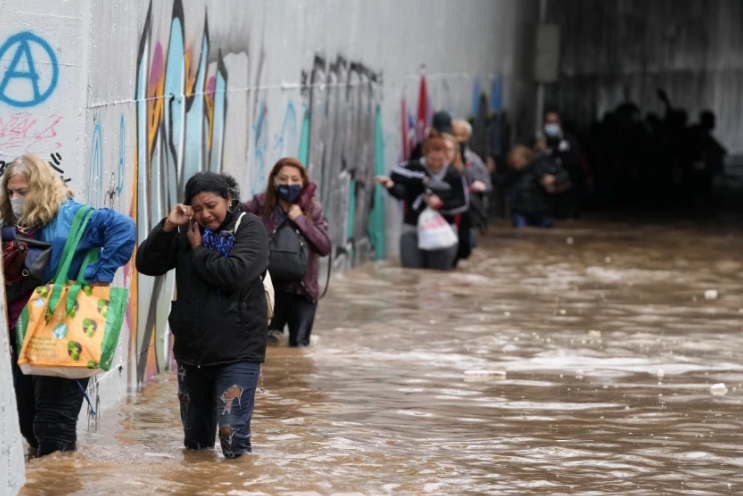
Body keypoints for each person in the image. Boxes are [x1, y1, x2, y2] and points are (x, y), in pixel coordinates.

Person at [0, 154, 135, 456]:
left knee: (53, 425)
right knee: (27, 422)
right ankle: (51, 477)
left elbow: (123, 227)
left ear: (42, 187)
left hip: (61, 330)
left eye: (22, 192)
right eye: (11, 192)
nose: (15, 198)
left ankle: (58, 482)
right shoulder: (10, 223)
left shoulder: (72, 216)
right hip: (19, 336)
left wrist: (99, 275)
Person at [136, 172, 268, 458]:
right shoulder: (186, 231)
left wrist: (199, 250)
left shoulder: (249, 227)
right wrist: (169, 226)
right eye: (198, 208)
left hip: (239, 351)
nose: (206, 214)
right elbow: (147, 264)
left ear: (228, 200)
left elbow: (235, 274)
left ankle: (236, 488)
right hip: (192, 352)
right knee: (195, 445)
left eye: (212, 205)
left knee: (231, 436)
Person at [244, 158, 330, 348]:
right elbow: (234, 217)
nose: (289, 184)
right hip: (267, 290)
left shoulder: (313, 210)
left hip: (303, 291)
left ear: (303, 182)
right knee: (263, 347)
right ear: (274, 180)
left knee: (298, 348)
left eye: (294, 179)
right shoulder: (260, 204)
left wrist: (300, 218)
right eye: (283, 179)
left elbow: (324, 247)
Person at [377, 136, 469, 270]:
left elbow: (463, 204)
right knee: (410, 274)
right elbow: (398, 182)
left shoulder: (454, 174)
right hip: (412, 229)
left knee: (437, 279)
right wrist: (421, 180)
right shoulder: (415, 167)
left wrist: (440, 205)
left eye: (440, 160)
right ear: (425, 155)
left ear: (447, 156)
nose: (436, 164)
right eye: (432, 160)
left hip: (443, 232)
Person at [496, 145, 557, 229]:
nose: (517, 166)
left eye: (519, 162)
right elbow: (502, 182)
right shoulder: (513, 174)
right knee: (520, 229)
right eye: (514, 163)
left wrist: (552, 181)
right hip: (521, 212)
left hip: (541, 212)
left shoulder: (539, 168)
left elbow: (558, 179)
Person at [452, 119, 493, 245]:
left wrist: (478, 187)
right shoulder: (440, 158)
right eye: (455, 134)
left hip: (469, 215)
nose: (458, 139)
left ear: (468, 138)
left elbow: (488, 186)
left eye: (462, 135)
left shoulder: (474, 161)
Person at [536, 108, 582, 219]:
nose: (551, 125)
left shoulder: (569, 141)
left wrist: (556, 178)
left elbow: (574, 162)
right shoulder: (537, 140)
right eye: (549, 122)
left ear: (559, 123)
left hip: (565, 185)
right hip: (542, 186)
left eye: (554, 122)